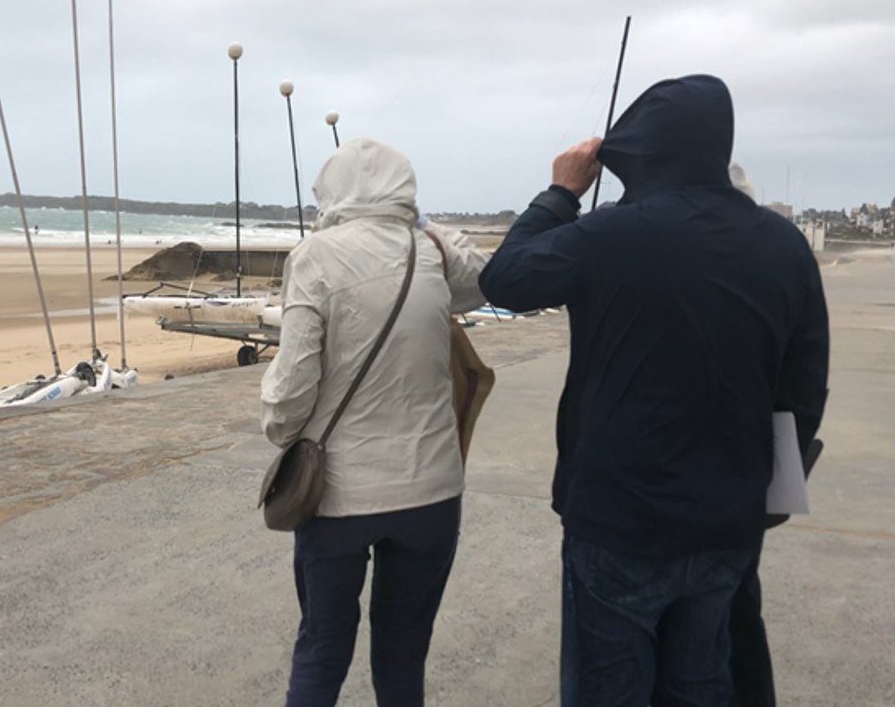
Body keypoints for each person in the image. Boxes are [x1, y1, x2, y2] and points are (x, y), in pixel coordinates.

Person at [478, 75, 829, 706]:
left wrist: (561, 192)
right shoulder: (783, 245)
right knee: (701, 684)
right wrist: (768, 483)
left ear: (639, 150)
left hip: (619, 514)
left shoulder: (610, 234)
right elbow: (805, 383)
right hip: (729, 514)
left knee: (608, 688)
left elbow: (504, 280)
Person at [261, 137, 487, 707]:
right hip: (432, 491)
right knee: (403, 656)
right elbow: (483, 279)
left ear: (330, 190)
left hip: (338, 495)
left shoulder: (315, 256)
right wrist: (425, 225)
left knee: (322, 648)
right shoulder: (429, 251)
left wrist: (280, 431)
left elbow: (293, 387)